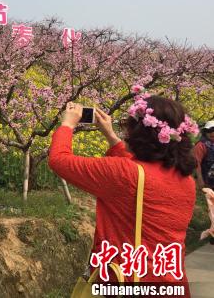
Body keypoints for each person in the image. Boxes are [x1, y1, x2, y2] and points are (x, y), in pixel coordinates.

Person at [49, 90, 198, 294]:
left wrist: (67, 125)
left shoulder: (123, 174)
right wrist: (110, 136)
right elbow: (142, 173)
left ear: (137, 133)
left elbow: (60, 161)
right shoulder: (185, 180)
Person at [193, 120, 214, 189]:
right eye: (208, 131)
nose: (211, 133)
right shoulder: (201, 145)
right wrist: (200, 179)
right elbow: (196, 162)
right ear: (205, 132)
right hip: (206, 182)